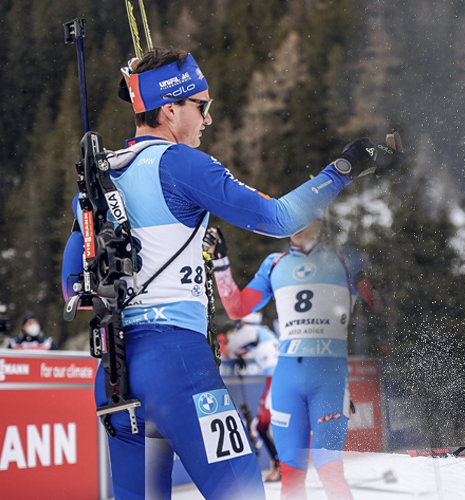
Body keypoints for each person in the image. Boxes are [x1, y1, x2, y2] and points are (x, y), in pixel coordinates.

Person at [60, 48, 396, 500]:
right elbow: (278, 219)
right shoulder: (181, 163)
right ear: (170, 108)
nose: (208, 119)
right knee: (241, 492)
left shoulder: (104, 176)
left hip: (116, 369)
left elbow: (72, 282)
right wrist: (345, 168)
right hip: (177, 364)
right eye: (202, 106)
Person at [204, 219, 385, 500]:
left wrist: (372, 279)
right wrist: (220, 262)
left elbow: (381, 304)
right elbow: (237, 308)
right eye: (293, 218)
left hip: (328, 381)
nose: (298, 226)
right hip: (286, 382)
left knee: (328, 467)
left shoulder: (343, 258)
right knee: (291, 476)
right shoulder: (274, 264)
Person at [218, 313, 282, 482]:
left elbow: (228, 350)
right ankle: (283, 465)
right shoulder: (264, 330)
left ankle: (279, 466)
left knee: (262, 424)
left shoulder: (249, 330)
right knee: (276, 424)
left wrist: (232, 349)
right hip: (283, 376)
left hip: (276, 379)